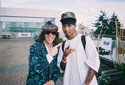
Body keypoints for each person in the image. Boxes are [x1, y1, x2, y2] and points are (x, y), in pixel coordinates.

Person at [57, 11, 100, 85]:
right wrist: (65, 56)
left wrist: (86, 83)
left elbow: (94, 64)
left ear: (75, 26)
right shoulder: (63, 45)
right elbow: (62, 69)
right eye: (64, 26)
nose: (66, 29)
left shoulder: (85, 40)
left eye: (69, 25)